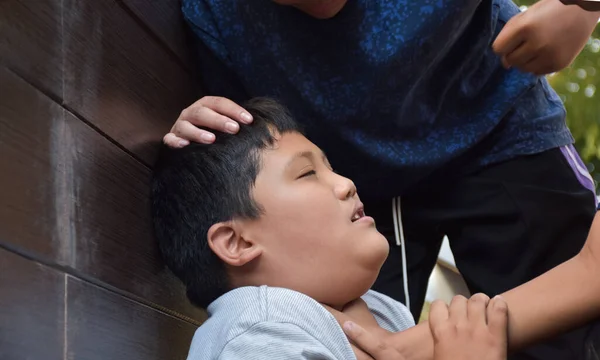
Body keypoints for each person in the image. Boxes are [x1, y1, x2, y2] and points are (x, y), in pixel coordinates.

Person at [165, 1, 600, 358]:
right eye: (309, 172)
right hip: (371, 188)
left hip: (498, 128)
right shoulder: (266, 327)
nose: (342, 182)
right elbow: (247, 159)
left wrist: (580, 10)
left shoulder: (373, 314)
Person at [152, 98, 510, 360]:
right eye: (308, 174)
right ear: (237, 242)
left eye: (331, 168)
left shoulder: (382, 310)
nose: (346, 183)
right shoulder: (258, 329)